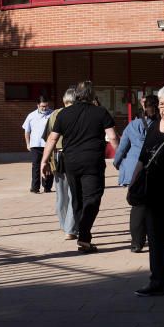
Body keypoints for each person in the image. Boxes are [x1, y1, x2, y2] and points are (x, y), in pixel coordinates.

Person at [41, 80, 117, 253]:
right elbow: (112, 137)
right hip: (92, 162)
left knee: (77, 199)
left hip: (71, 163)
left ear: (76, 95)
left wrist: (44, 161)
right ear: (92, 95)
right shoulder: (100, 112)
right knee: (93, 198)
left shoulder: (64, 114)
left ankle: (83, 235)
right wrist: (119, 157)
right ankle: (84, 235)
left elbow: (52, 139)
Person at [133, 86, 164, 296]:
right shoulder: (154, 126)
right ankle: (157, 281)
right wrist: (133, 181)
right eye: (163, 104)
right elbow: (143, 157)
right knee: (156, 240)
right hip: (153, 193)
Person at [114, 94, 159, 253]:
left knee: (138, 206)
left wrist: (117, 162)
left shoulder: (133, 126)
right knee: (156, 206)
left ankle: (136, 242)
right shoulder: (161, 125)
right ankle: (158, 239)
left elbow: (122, 146)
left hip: (136, 170)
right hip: (156, 168)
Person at [44, 87, 78, 240]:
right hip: (72, 154)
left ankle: (64, 224)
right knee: (73, 193)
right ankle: (70, 228)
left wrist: (46, 160)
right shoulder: (77, 113)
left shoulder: (53, 115)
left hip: (57, 155)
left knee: (61, 195)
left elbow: (48, 138)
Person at [22, 95, 53, 194]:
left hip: (48, 144)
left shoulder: (52, 114)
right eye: (42, 106)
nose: (44, 108)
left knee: (48, 166)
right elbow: (27, 131)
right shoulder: (31, 116)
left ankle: (47, 187)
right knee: (36, 166)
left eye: (46, 106)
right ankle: (35, 187)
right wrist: (27, 143)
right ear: (38, 105)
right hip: (35, 145)